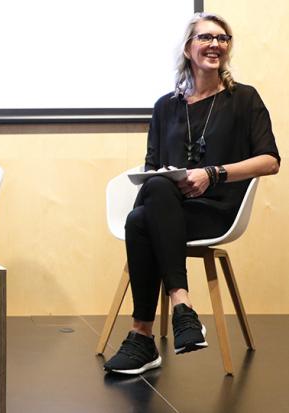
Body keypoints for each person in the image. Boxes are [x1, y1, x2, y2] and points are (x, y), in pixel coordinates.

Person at [104, 13, 280, 375]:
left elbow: (270, 160)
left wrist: (213, 174)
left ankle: (142, 336)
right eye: (206, 37)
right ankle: (182, 309)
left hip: (217, 209)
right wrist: (167, 178)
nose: (215, 44)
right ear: (188, 48)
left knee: (141, 220)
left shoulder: (243, 99)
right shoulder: (165, 106)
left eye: (223, 38)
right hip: (169, 208)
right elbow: (152, 165)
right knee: (151, 196)